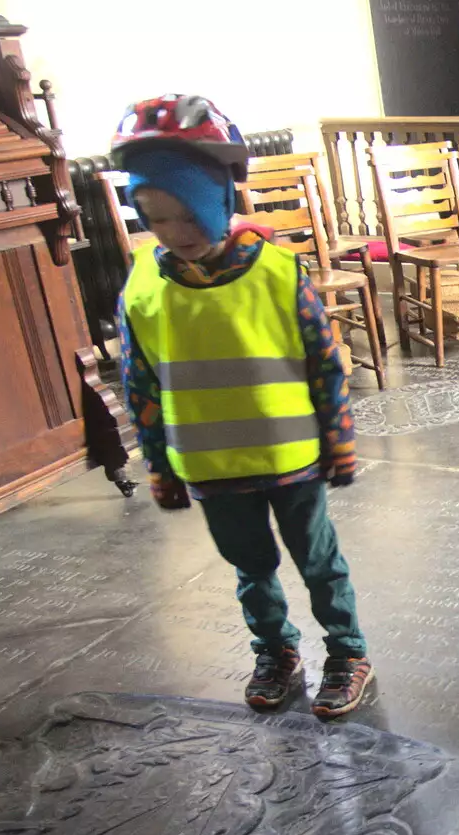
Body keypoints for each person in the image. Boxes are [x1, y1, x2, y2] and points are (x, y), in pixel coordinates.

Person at [114, 95, 373, 717]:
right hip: (209, 466)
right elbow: (140, 387)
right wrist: (159, 465)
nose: (174, 235)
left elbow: (323, 363)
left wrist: (339, 441)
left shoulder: (279, 273)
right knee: (250, 569)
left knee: (319, 563)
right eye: (156, 219)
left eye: (186, 217)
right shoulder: (143, 288)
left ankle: (346, 652)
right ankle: (275, 651)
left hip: (292, 458)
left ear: (217, 202)